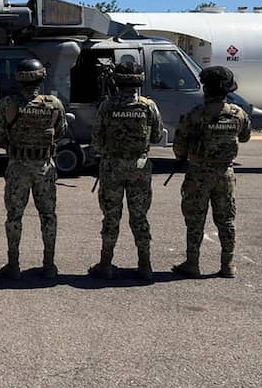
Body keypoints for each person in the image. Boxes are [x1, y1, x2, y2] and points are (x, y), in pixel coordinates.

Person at [171, 66, 251, 279]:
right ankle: (228, 265)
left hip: (198, 174)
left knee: (195, 219)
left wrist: (182, 157)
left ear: (206, 88)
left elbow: (179, 145)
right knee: (226, 220)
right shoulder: (238, 114)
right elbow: (245, 137)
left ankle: (192, 263)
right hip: (225, 174)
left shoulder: (195, 115)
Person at [88, 61, 163, 281]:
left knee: (111, 216)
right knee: (139, 216)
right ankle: (145, 265)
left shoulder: (107, 106)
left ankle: (105, 264)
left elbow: (96, 141)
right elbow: (157, 136)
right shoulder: (148, 106)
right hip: (139, 168)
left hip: (112, 168)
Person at [0, 58, 67, 279]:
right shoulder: (54, 104)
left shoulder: (8, 104)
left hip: (17, 168)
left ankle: (13, 265)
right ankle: (49, 265)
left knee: (14, 217)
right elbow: (61, 132)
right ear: (42, 77)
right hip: (44, 167)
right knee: (48, 216)